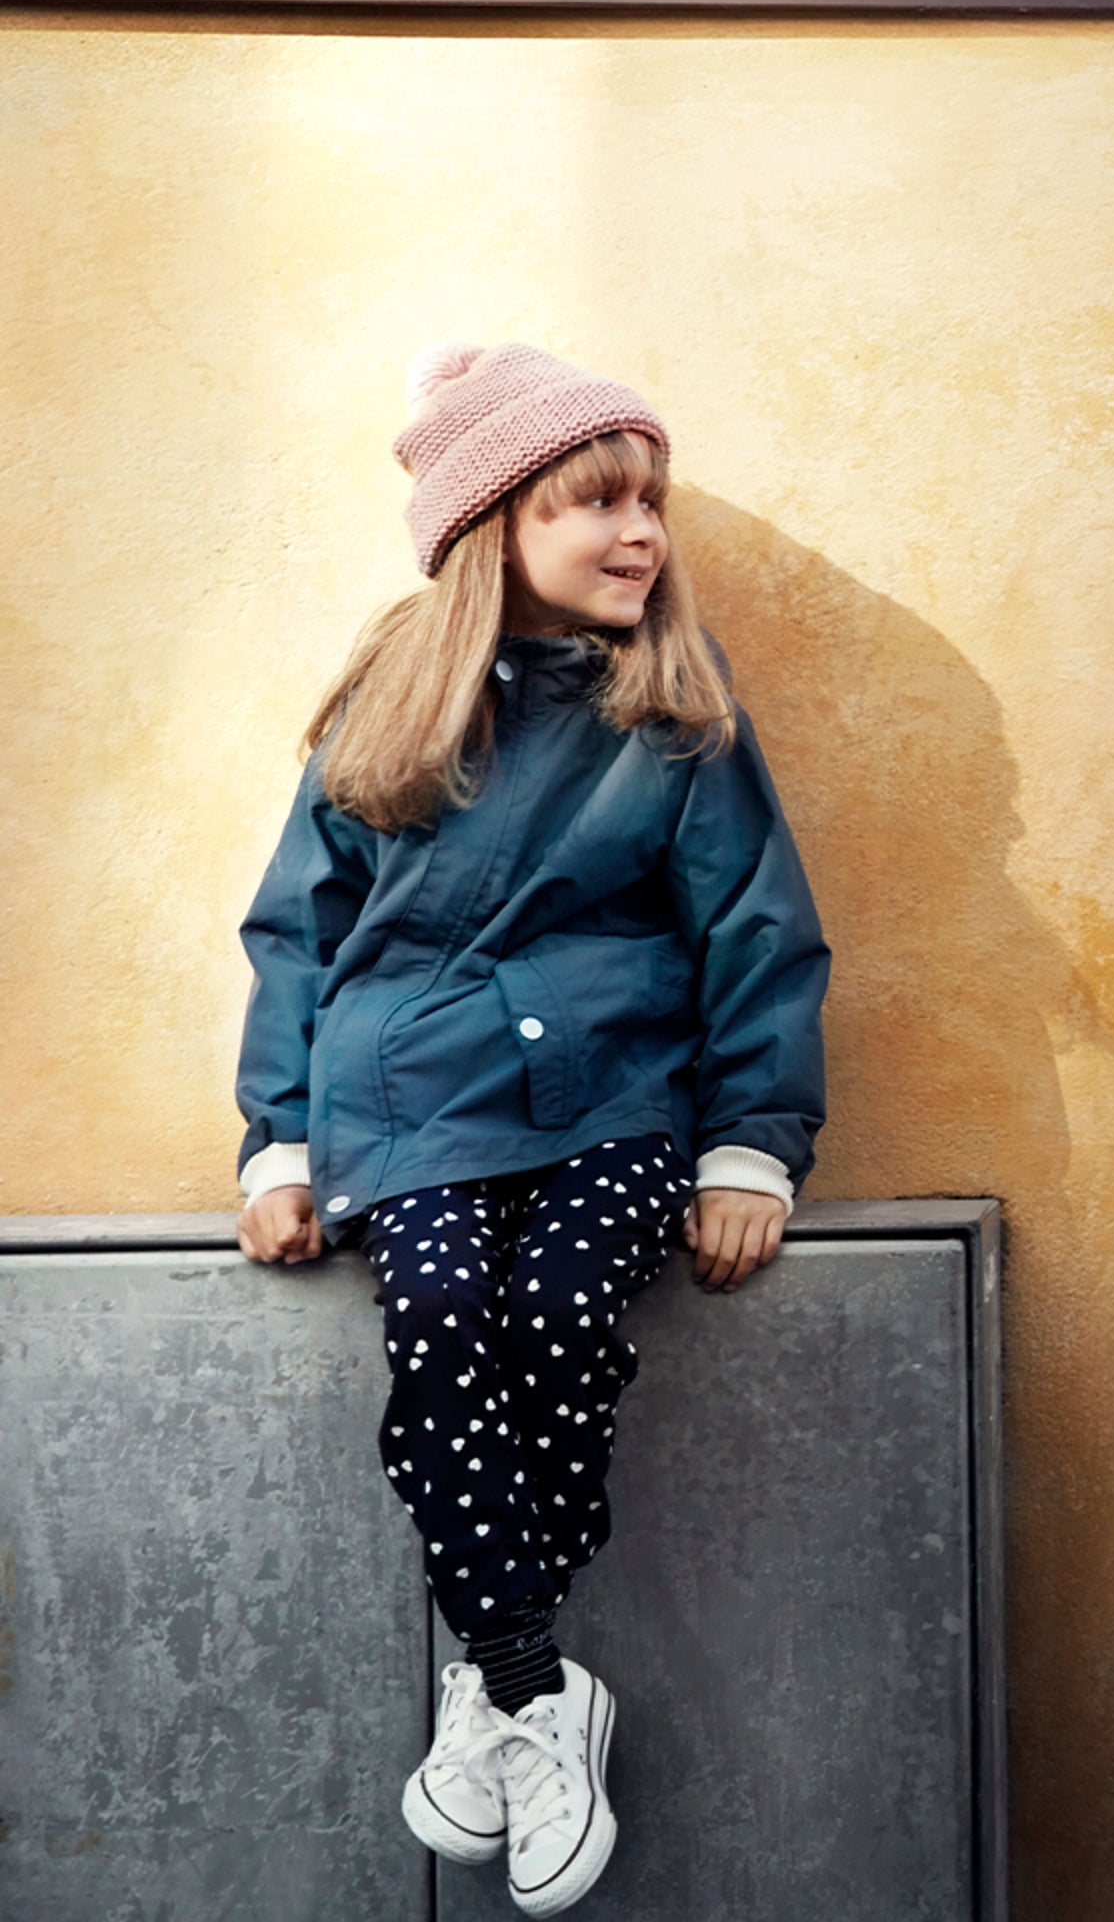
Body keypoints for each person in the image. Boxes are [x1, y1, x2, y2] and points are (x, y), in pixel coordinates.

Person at [233, 342, 831, 1915]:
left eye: (653, 502)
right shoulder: (391, 711)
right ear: (497, 521)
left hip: (612, 1104)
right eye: (599, 503)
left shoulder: (678, 714)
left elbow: (756, 933)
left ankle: (491, 1692)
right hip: (413, 1103)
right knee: (439, 1316)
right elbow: (299, 932)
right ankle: (529, 1682)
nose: (641, 533)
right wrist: (278, 1144)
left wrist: (749, 1146)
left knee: (567, 1310)